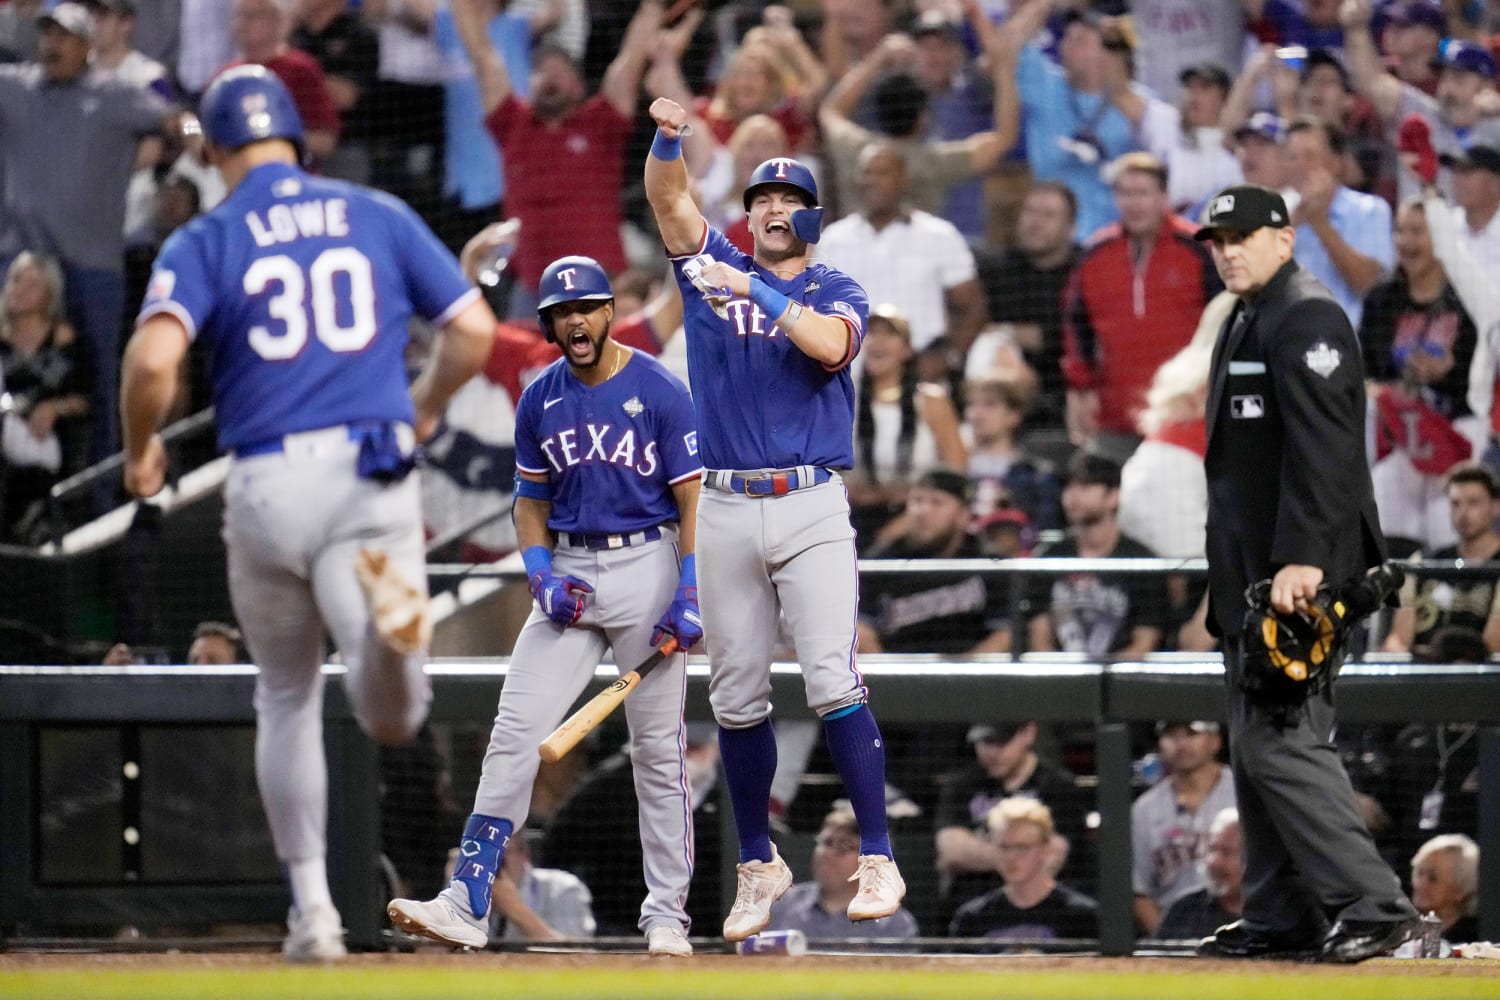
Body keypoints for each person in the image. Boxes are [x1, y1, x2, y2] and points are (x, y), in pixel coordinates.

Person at [119, 65, 497, 962]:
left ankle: (313, 916)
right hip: (368, 472)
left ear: (213, 151)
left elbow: (148, 366)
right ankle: (391, 648)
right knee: (395, 715)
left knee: (284, 694)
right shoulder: (375, 212)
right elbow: (475, 330)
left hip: (266, 482)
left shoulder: (209, 234)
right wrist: (429, 398)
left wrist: (141, 450)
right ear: (297, 137)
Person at [387, 253, 702, 958]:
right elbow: (528, 503)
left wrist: (689, 585)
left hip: (649, 561)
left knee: (658, 752)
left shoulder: (659, 387)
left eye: (585, 308)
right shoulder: (540, 397)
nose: (575, 322)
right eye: (561, 313)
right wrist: (540, 575)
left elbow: (691, 498)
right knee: (512, 735)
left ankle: (667, 916)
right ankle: (468, 898)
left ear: (608, 310)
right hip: (572, 569)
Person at [644, 98, 906, 941]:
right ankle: (758, 862)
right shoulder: (710, 261)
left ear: (812, 218)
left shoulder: (836, 284)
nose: (772, 208)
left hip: (810, 502)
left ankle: (876, 853)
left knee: (832, 679)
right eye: (761, 198)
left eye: (787, 200)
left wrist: (748, 283)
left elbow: (829, 345)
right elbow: (668, 200)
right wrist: (668, 139)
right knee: (735, 697)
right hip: (722, 501)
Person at [1193, 183, 1421, 963]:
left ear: (1285, 240)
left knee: (1280, 744)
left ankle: (1377, 909)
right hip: (1252, 578)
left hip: (1298, 577)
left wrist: (1304, 561)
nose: (1227, 249)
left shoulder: (1308, 313)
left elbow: (1326, 452)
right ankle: (1279, 916)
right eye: (1218, 239)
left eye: (1242, 236)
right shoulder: (1249, 315)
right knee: (1255, 745)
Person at [933, 722, 1092, 929]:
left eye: (1002, 742)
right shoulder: (962, 784)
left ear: (1029, 734)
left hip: (1046, 918)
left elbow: (1054, 856)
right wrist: (1025, 852)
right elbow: (952, 851)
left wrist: (976, 850)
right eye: (985, 743)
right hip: (972, 918)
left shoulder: (1058, 786)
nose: (993, 752)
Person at [1023, 452, 1170, 661]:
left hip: (1120, 686)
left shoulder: (1142, 562)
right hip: (1059, 683)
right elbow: (1039, 638)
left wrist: (1100, 682)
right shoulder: (1047, 558)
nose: (1073, 495)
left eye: (1085, 487)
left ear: (1113, 496)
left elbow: (1144, 643)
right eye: (1070, 486)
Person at [857, 468, 1012, 656]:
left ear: (963, 515)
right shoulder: (883, 561)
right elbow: (861, 630)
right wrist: (897, 678)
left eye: (936, 503)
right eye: (917, 501)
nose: (922, 511)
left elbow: (1005, 635)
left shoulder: (989, 561)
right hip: (899, 676)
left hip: (972, 678)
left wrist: (958, 678)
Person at [1131, 721, 1237, 936]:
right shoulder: (1145, 808)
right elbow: (1139, 892)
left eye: (1191, 733)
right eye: (1171, 735)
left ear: (1215, 741)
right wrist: (1167, 943)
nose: (1181, 744)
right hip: (1175, 928)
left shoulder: (1244, 793)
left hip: (1239, 924)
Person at [947, 797, 1099, 945]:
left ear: (1044, 849)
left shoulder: (1082, 917)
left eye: (1022, 848)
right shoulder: (971, 919)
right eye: (1004, 847)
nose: (1011, 857)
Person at [1382, 465, 1500, 655]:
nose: (1463, 513)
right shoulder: (1422, 562)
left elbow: (1494, 647)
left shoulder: (1497, 565)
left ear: (1495, 507)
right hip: (1421, 674)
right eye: (1455, 503)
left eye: (1474, 503)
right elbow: (1399, 639)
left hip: (1477, 677)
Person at [766, 807, 920, 941]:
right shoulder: (779, 906)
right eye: (826, 842)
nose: (828, 853)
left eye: (843, 846)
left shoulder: (894, 924)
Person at [1154, 807, 1244, 942]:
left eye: (1227, 852)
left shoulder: (1278, 914)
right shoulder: (1184, 910)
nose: (1213, 862)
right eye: (1211, 849)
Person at [1408, 833, 1480, 945]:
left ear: (1460, 890)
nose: (1419, 884)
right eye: (1419, 873)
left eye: (1433, 878)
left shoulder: (1473, 944)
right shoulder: (1402, 933)